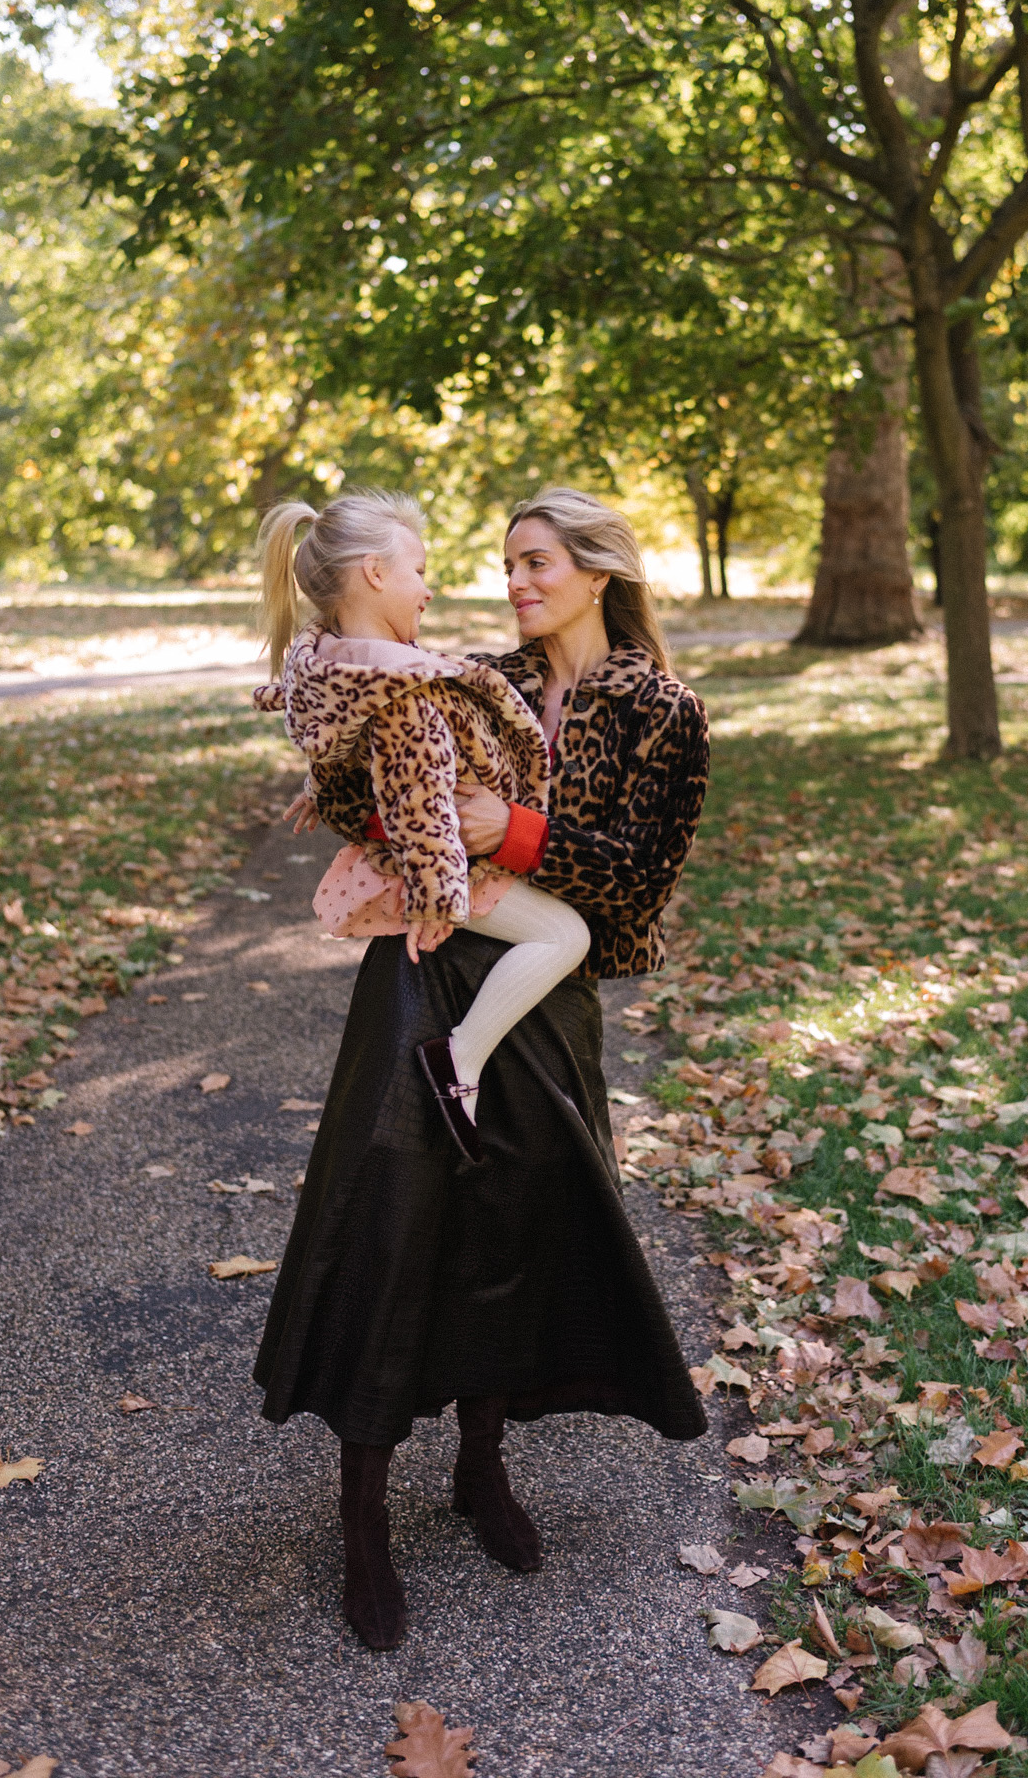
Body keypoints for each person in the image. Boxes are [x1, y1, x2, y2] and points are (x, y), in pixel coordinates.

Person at [255, 486, 711, 1652]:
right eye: (506, 562)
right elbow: (371, 770)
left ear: (598, 572)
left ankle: (482, 1469)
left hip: (546, 1004)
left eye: (537, 561)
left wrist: (497, 830)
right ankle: (362, 1518)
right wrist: (380, 813)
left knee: (511, 1224)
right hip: (425, 972)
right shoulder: (479, 673)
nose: (513, 581)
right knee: (391, 1220)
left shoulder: (659, 708)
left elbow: (637, 874)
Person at [253, 491, 592, 1160]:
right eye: (418, 571)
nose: (427, 591)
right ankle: (459, 1061)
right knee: (565, 935)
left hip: (416, 858)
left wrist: (317, 789)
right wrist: (440, 898)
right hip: (440, 866)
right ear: (375, 574)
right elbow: (418, 796)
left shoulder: (337, 663)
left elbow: (348, 748)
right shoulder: (402, 688)